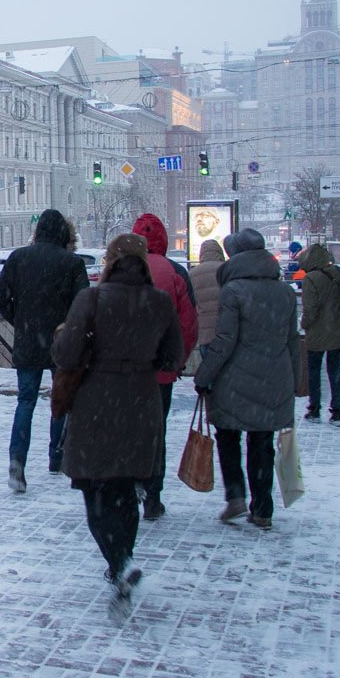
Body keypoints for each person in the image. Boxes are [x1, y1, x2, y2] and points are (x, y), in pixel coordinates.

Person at [52, 234, 182, 607]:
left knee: (96, 491)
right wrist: (142, 364)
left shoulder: (91, 299)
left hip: (97, 403)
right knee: (125, 490)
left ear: (110, 261)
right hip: (142, 403)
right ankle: (122, 561)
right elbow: (173, 357)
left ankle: (119, 562)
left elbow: (67, 354)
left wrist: (61, 336)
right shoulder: (159, 302)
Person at [195, 229, 300, 530]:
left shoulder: (234, 291)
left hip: (235, 378)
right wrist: (296, 380)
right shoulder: (285, 292)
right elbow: (292, 340)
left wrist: (205, 375)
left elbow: (225, 339)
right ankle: (263, 508)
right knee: (262, 441)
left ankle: (236, 496)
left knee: (228, 436)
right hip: (274, 378)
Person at [0, 209, 89, 493]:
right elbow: (83, 306)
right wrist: (68, 329)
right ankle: (56, 457)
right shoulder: (72, 264)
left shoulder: (19, 258)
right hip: (62, 343)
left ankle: (17, 462)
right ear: (63, 234)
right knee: (61, 399)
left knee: (26, 402)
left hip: (28, 340)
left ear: (38, 232)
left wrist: (20, 320)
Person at [131, 214, 198, 520]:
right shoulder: (175, 272)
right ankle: (153, 496)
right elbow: (188, 325)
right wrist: (176, 361)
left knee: (127, 429)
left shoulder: (121, 270)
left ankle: (129, 487)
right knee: (156, 431)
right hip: (161, 372)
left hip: (125, 372)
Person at [299, 244, 340, 426]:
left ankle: (314, 409)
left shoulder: (310, 279)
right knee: (334, 370)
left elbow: (310, 309)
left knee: (314, 371)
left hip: (318, 331)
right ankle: (337, 412)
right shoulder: (337, 274)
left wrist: (303, 324)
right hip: (339, 329)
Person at [188, 240, 226, 357]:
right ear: (220, 252)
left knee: (208, 366)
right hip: (225, 328)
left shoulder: (193, 273)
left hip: (204, 331)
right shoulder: (227, 270)